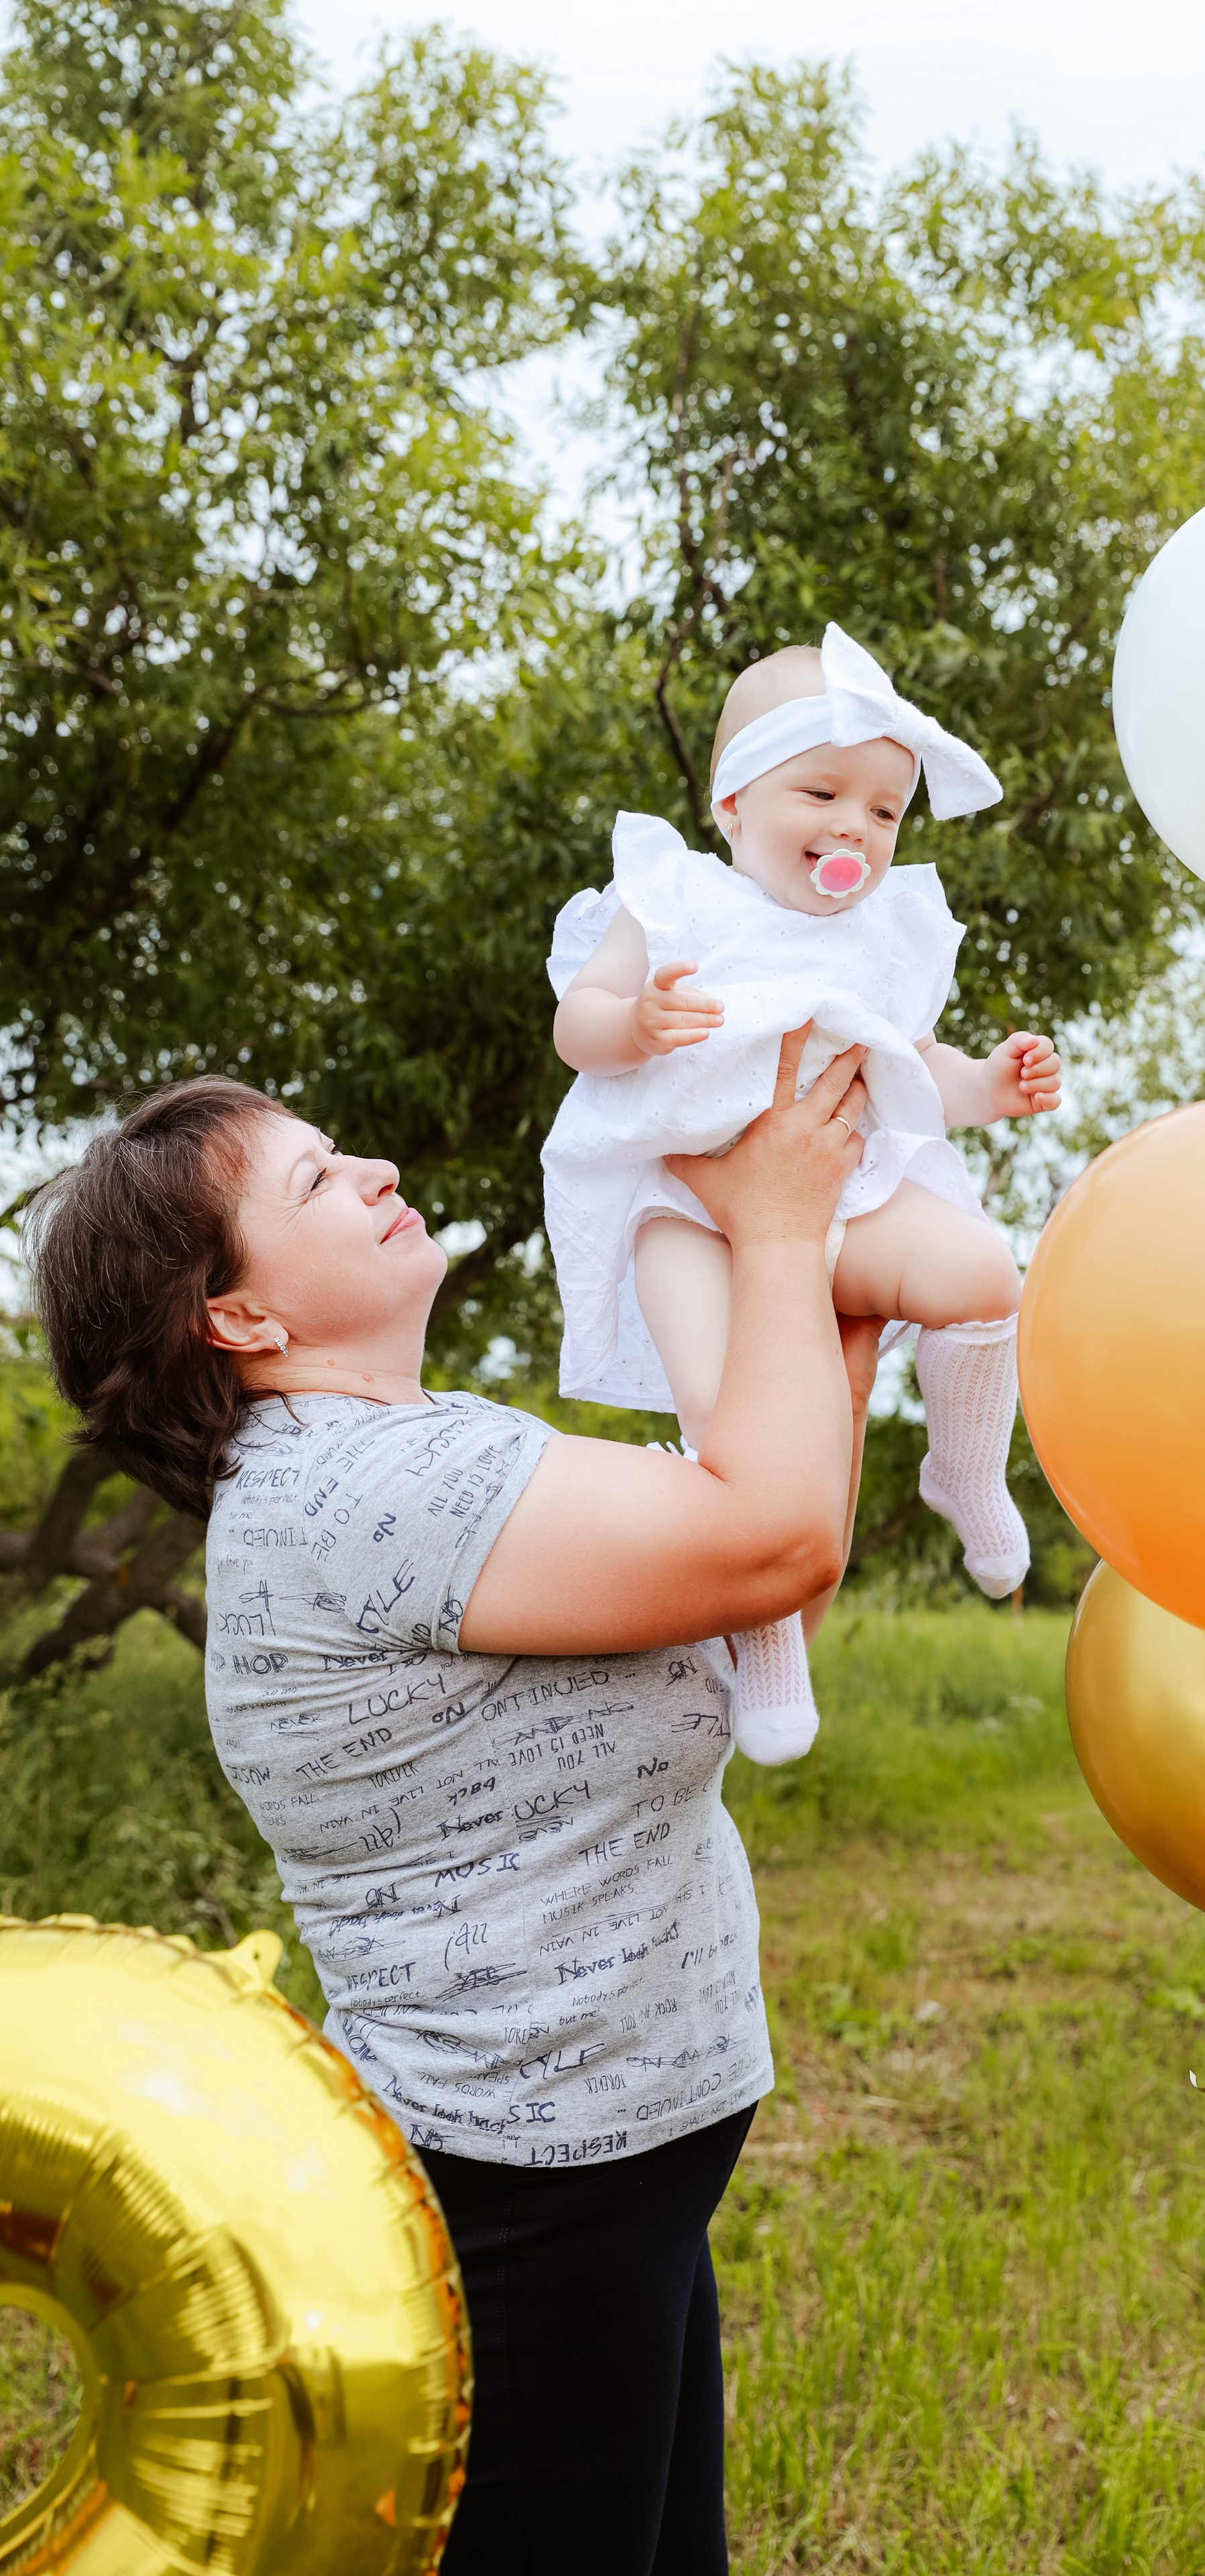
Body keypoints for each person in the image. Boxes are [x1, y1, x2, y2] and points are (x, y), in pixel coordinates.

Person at [24, 1030, 880, 2576]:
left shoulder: (406, 1460)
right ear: (239, 1310)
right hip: (524, 2202)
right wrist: (775, 1229)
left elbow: (747, 1614)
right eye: (316, 1176)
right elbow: (777, 1546)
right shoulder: (368, 1497)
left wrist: (830, 1314)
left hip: (615, 2161)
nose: (379, 1171)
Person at [544, 621, 1061, 1765]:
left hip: (850, 1189)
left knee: (987, 1274)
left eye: (884, 812)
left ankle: (965, 1471)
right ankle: (769, 1644)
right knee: (737, 1424)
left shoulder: (883, 931)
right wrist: (629, 1027)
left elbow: (914, 1069)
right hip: (691, 1212)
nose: (854, 830)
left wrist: (991, 1086)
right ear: (731, 807)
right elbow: (575, 1025)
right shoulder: (673, 901)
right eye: (821, 792)